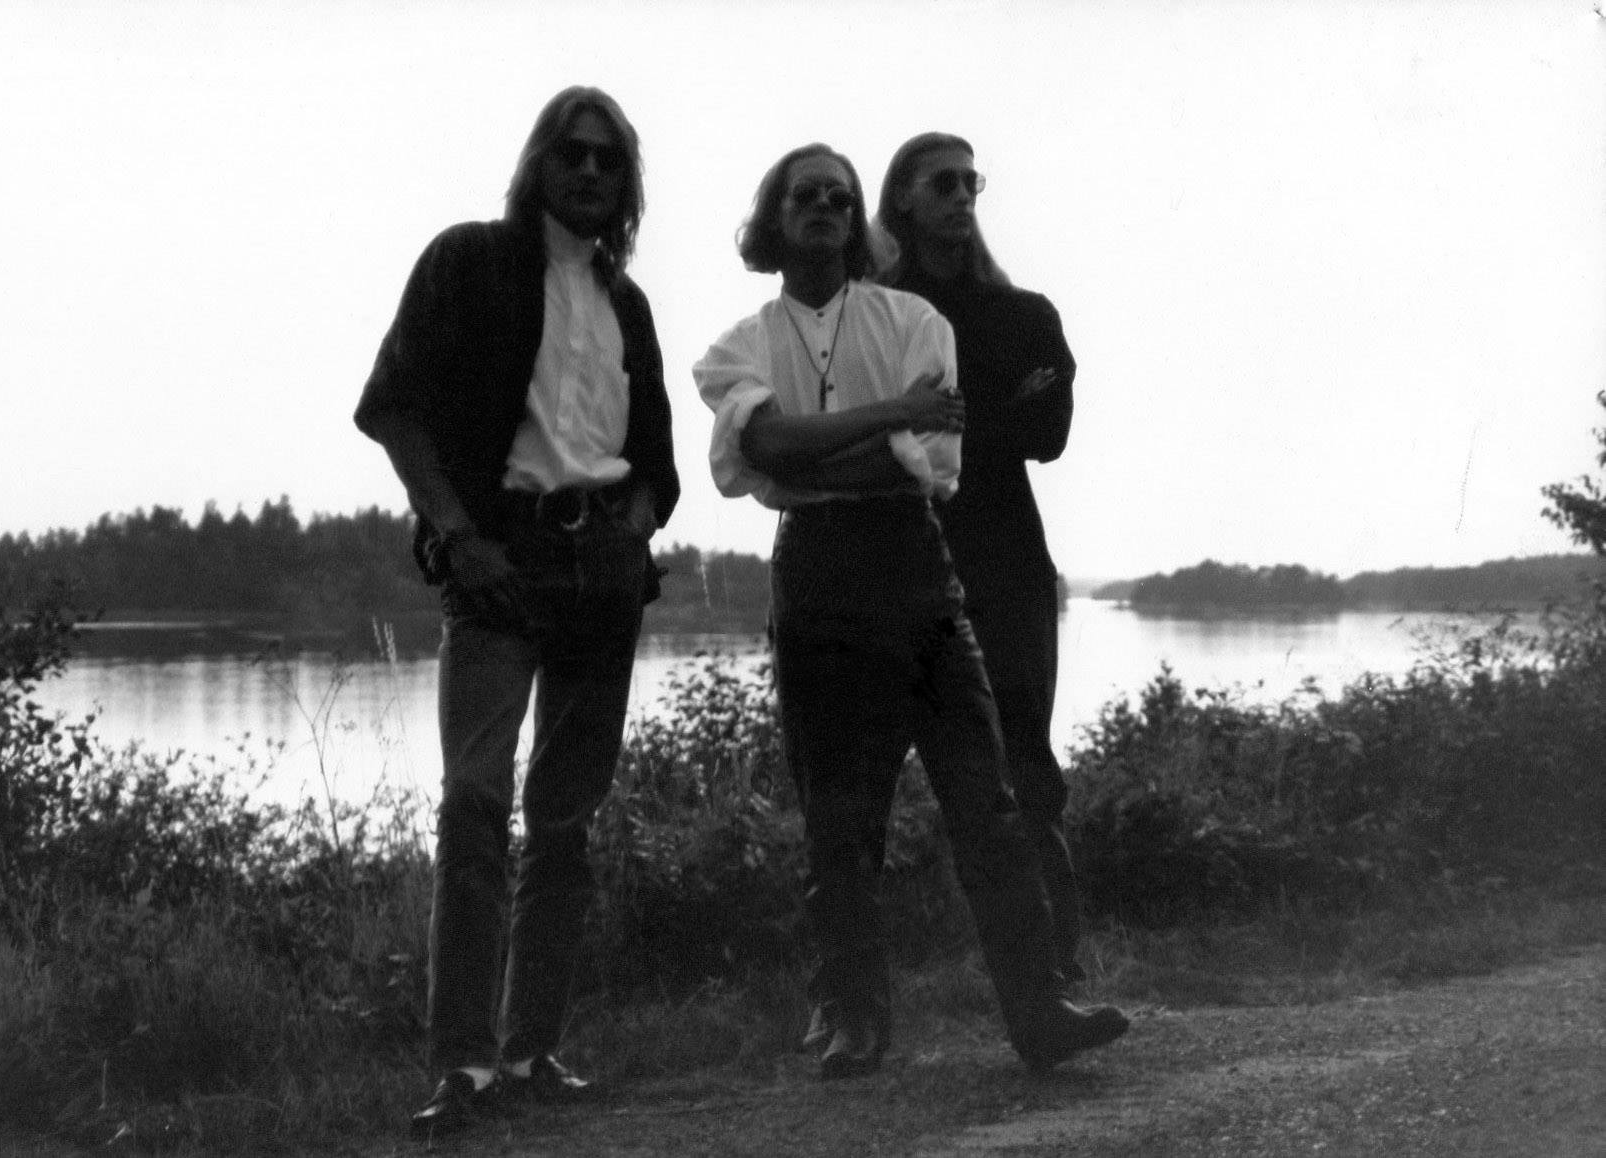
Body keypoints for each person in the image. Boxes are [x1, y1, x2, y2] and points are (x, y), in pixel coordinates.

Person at [693, 143, 1127, 1081]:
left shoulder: (917, 322)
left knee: (987, 801)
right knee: (839, 818)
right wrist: (886, 418)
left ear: (860, 220)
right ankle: (855, 1019)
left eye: (839, 197)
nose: (823, 207)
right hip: (817, 581)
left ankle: (1038, 1009)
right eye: (804, 196)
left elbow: (922, 465)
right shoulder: (738, 347)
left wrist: (807, 455)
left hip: (918, 569)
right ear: (774, 220)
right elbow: (760, 454)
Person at [353, 86, 679, 1136]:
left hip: (602, 578)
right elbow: (394, 408)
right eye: (571, 153)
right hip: (499, 565)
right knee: (474, 804)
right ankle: (465, 1067)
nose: (588, 171)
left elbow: (655, 462)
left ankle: (533, 1053)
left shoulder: (628, 305)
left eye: (607, 160)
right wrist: (457, 535)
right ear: (539, 162)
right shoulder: (468, 263)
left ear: (626, 183)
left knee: (565, 821)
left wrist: (632, 536)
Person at [875, 132, 1088, 997]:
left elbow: (1050, 433)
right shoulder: (873, 316)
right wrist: (987, 411)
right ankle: (854, 993)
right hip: (896, 559)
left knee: (1025, 760)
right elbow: (876, 429)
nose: (963, 195)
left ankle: (1055, 968)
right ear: (903, 199)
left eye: (973, 181)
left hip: (1006, 563)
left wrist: (946, 418)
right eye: (944, 182)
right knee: (867, 779)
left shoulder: (1025, 314)